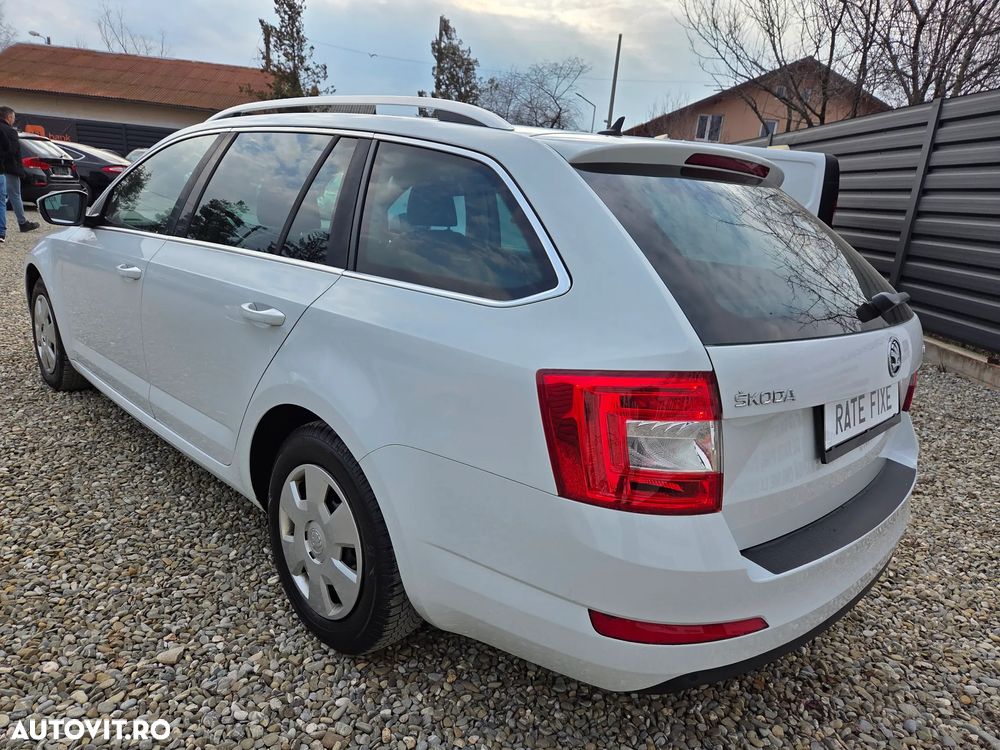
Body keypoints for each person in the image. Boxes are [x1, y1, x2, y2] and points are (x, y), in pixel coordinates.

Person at [0, 106, 39, 235]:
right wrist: (20, 170)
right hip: (9, 168)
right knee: (15, 195)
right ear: (9, 117)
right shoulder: (10, 132)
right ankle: (22, 223)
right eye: (13, 118)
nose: (13, 120)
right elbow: (14, 151)